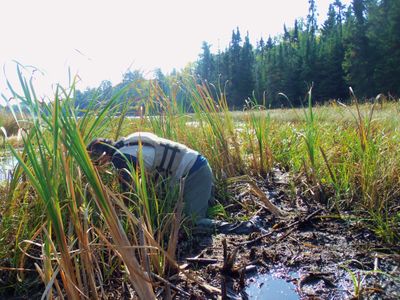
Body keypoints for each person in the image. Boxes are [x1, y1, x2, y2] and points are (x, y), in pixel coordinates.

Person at [87, 132, 213, 219]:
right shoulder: (131, 139)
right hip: (195, 164)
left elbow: (130, 197)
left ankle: (232, 228)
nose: (99, 167)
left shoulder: (120, 159)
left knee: (194, 222)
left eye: (96, 163)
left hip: (194, 172)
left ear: (103, 156)